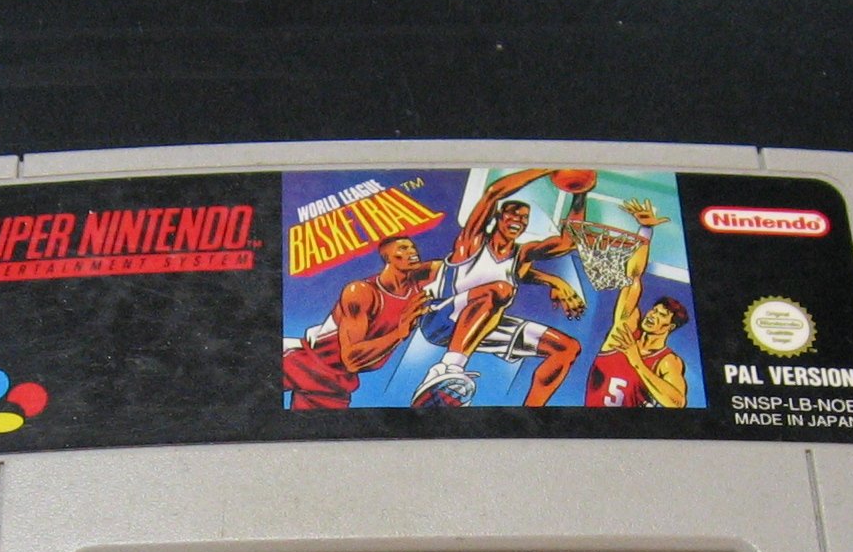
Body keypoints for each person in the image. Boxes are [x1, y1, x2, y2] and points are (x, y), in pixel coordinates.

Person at [408, 168, 585, 407]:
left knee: (566, 348)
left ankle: (533, 411)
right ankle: (446, 369)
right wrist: (546, 167)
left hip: (481, 325)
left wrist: (580, 194)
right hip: (440, 319)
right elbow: (493, 192)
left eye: (524, 218)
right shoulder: (471, 243)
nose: (518, 220)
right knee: (501, 290)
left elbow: (568, 242)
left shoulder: (520, 256)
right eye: (513, 214)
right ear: (498, 217)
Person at [282, 236, 442, 408]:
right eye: (403, 248)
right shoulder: (361, 292)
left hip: (334, 386)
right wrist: (399, 334)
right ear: (387, 257)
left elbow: (458, 263)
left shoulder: (418, 283)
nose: (412, 251)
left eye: (412, 247)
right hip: (300, 360)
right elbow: (351, 360)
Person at [583, 198, 689, 408]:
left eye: (661, 315)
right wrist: (645, 230)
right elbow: (633, 278)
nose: (652, 315)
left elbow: (677, 403)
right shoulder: (623, 333)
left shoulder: (667, 361)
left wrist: (636, 361)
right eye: (654, 311)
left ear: (670, 327)